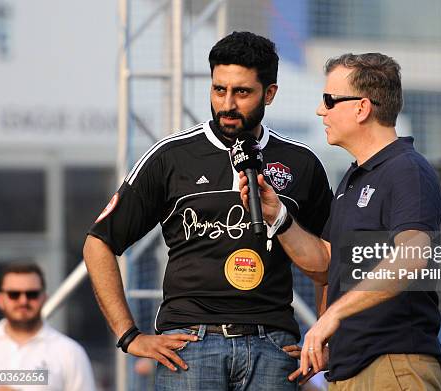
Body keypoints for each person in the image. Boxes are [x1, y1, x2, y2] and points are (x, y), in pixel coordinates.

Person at [83, 31, 332, 390]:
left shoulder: (301, 163)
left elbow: (332, 261)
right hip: (190, 346)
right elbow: (98, 243)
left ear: (270, 93)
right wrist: (129, 336)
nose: (227, 103)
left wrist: (321, 337)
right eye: (219, 90)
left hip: (275, 346)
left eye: (242, 92)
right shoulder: (171, 156)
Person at [240, 52, 441, 390]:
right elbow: (326, 262)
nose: (321, 110)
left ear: (362, 108)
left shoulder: (407, 169)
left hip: (392, 364)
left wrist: (333, 316)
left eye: (329, 100)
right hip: (349, 368)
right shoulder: (354, 178)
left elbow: (413, 255)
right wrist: (278, 217)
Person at [0, 263, 96, 391]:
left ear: (44, 298)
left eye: (31, 294)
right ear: (0, 299)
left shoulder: (70, 352)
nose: (23, 301)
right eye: (14, 294)